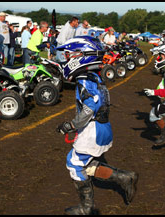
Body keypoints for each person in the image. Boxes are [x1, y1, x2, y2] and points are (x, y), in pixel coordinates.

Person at [56, 66, 138, 215]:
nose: (68, 57)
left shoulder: (84, 80)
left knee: (74, 164)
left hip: (93, 129)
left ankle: (86, 208)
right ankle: (125, 177)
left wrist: (71, 125)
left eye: (72, 53)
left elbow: (90, 108)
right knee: (84, 164)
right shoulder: (94, 76)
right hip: (101, 126)